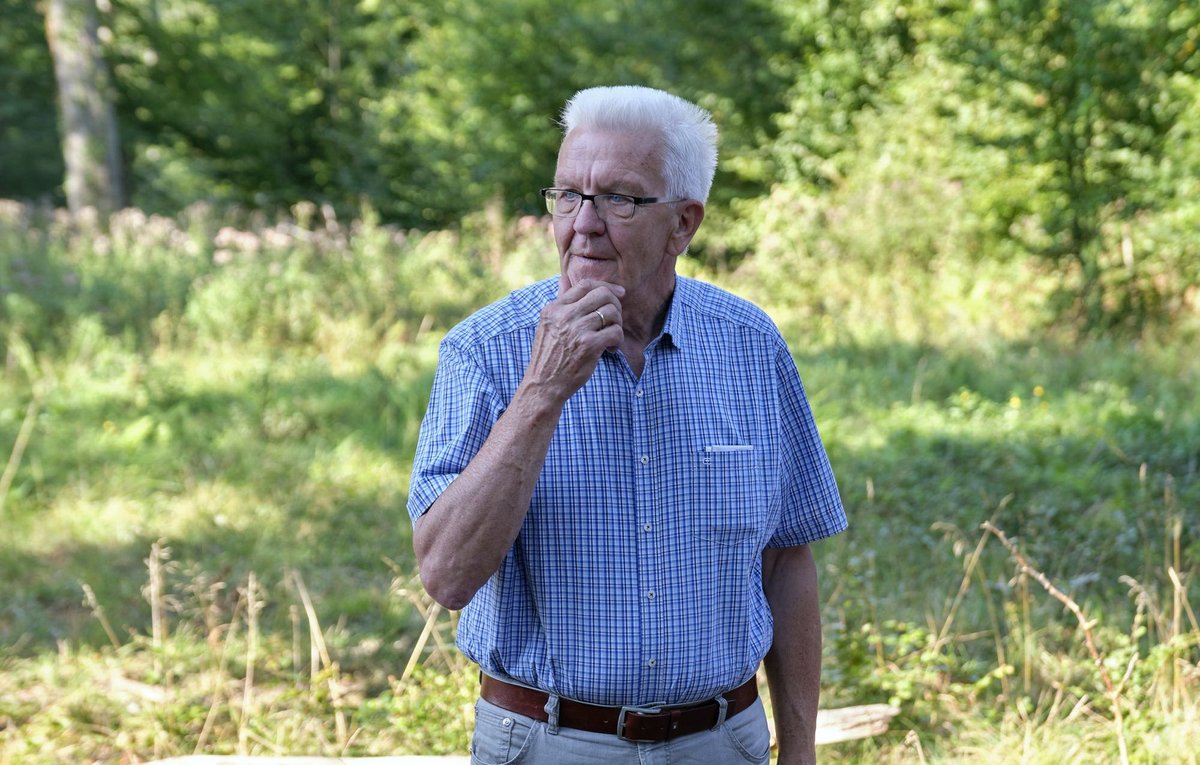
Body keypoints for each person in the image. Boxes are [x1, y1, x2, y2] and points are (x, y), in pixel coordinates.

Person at [408, 85, 847, 765]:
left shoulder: (751, 345)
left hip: (722, 742)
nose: (582, 223)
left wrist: (801, 751)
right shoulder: (485, 350)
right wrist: (542, 393)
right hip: (545, 743)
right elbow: (446, 576)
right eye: (567, 196)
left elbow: (788, 559)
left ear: (684, 224)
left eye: (618, 198)